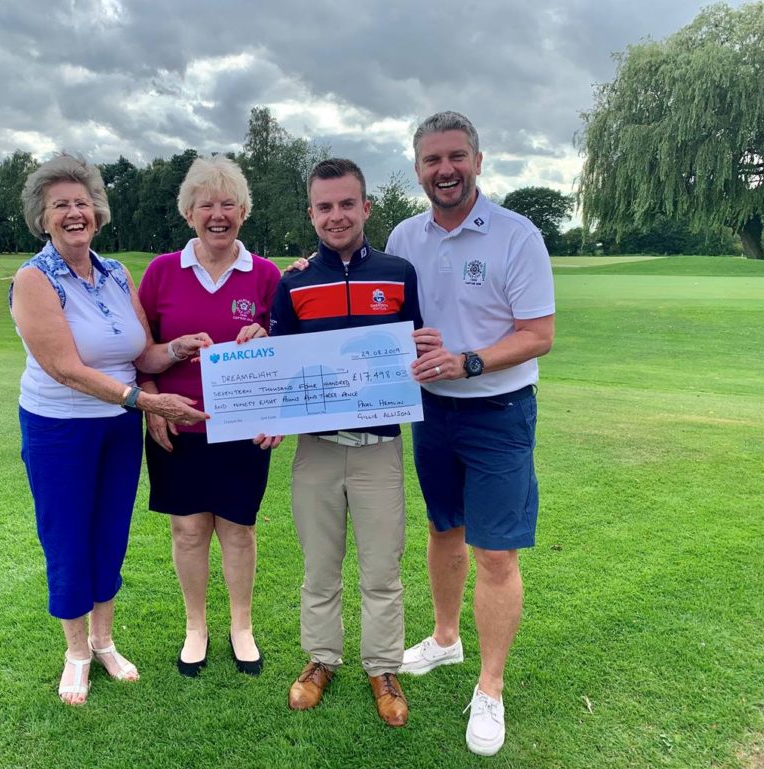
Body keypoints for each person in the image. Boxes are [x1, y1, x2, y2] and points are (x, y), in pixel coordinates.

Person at [9, 153, 211, 705]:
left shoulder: (116, 272)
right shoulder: (33, 279)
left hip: (117, 430)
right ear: (43, 217)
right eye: (60, 206)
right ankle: (76, 652)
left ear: (97, 212)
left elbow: (140, 352)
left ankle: (103, 640)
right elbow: (65, 367)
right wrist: (147, 401)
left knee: (109, 534)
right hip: (59, 430)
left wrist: (177, 347)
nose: (74, 213)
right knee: (68, 536)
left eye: (82, 203)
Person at [386, 111, 555, 756]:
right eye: (431, 160)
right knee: (443, 530)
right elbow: (381, 309)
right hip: (432, 412)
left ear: (477, 161)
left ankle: (490, 686)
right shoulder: (405, 236)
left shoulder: (516, 236)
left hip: (497, 411)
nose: (444, 170)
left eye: (455, 157)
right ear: (418, 169)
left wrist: (468, 361)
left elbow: (538, 334)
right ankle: (447, 640)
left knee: (495, 553)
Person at [271, 158, 423, 727]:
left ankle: (383, 667)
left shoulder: (399, 272)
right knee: (320, 566)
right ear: (311, 213)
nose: (336, 216)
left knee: (382, 567)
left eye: (346, 204)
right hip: (316, 449)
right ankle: (321, 660)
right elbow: (280, 364)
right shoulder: (294, 283)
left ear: (367, 207)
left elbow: (418, 350)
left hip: (378, 447)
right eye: (324, 207)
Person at [137, 155, 282, 677]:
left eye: (228, 204)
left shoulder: (265, 275)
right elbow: (141, 352)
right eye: (206, 205)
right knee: (188, 531)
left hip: (243, 430)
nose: (217, 214)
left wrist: (268, 337)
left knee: (238, 530)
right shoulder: (160, 273)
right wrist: (153, 397)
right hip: (177, 426)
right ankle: (196, 626)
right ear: (188, 213)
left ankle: (240, 626)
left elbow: (285, 354)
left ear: (243, 210)